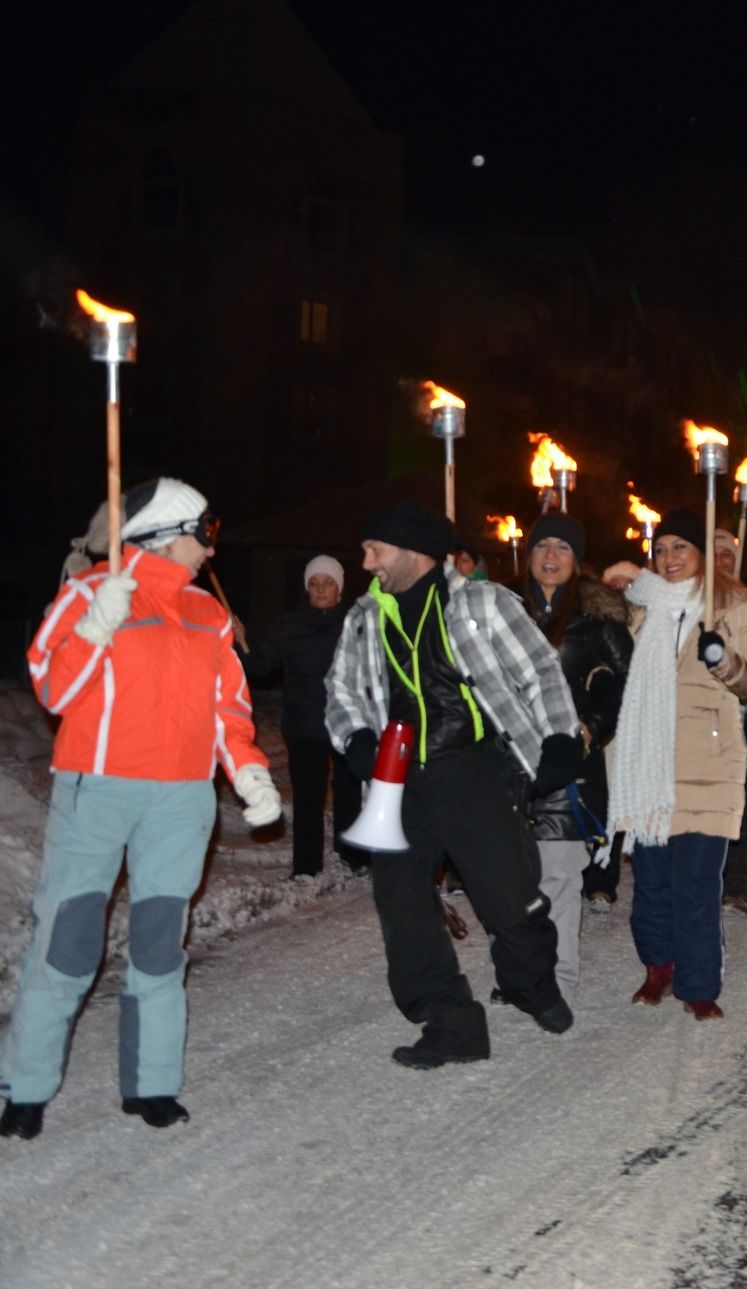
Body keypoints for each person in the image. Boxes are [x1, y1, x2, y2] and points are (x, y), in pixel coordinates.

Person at [3, 479, 280, 1139]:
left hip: (182, 801)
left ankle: (151, 1083)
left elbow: (228, 710)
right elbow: (52, 687)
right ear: (166, 533)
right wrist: (95, 626)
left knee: (160, 944)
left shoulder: (208, 614)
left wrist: (247, 770)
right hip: (97, 789)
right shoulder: (90, 591)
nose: (211, 548)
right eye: (204, 533)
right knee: (67, 942)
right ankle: (25, 1085)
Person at [325, 502, 578, 1069]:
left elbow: (540, 670)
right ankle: (451, 1022)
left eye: (376, 550)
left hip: (475, 771)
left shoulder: (480, 605)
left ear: (413, 553)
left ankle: (529, 982)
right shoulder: (364, 616)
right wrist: (356, 739)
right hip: (398, 784)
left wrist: (560, 737)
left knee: (508, 898)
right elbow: (339, 691)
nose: (366, 563)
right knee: (405, 910)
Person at [602, 512, 747, 1017]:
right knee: (651, 882)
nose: (670, 558)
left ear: (701, 553)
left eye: (681, 547)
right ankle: (659, 966)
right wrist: (614, 585)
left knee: (697, 884)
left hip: (708, 763)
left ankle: (698, 985)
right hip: (646, 764)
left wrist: (723, 660)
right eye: (661, 550)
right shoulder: (640, 606)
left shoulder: (734, 607)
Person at [517, 512, 632, 1001]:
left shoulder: (599, 623)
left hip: (570, 770)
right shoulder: (506, 613)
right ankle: (521, 972)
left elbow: (628, 690)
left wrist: (593, 727)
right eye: (542, 546)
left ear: (577, 561)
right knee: (514, 882)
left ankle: (556, 981)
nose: (550, 557)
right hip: (511, 769)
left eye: (562, 548)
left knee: (560, 879)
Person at [242, 554, 365, 879]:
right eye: (314, 584)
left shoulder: (356, 623)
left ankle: (352, 855)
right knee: (308, 798)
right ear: (306, 588)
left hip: (347, 722)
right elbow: (259, 665)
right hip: (304, 723)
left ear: (339, 588)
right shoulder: (289, 624)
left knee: (349, 792)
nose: (321, 589)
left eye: (327, 583)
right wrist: (238, 644)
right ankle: (306, 866)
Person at [712, 529, 747, 915]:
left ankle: (736, 883)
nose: (721, 561)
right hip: (697, 723)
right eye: (714, 554)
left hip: (741, 722)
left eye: (728, 556)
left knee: (740, 805)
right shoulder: (691, 600)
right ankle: (704, 877)